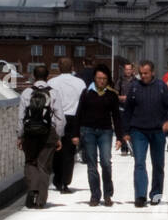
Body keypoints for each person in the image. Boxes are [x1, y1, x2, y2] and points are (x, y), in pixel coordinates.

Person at [123, 60, 168, 206]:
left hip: (158, 131)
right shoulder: (134, 87)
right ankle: (140, 195)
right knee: (139, 163)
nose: (143, 76)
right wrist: (125, 131)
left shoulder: (161, 87)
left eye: (146, 73)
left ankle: (156, 195)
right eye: (141, 73)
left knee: (158, 165)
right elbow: (127, 111)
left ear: (152, 72)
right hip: (138, 131)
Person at [72, 65, 125, 206]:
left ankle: (108, 194)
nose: (101, 81)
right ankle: (95, 194)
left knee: (106, 162)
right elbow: (79, 114)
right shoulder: (86, 93)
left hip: (105, 132)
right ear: (94, 78)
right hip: (88, 131)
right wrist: (75, 134)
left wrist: (120, 137)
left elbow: (117, 117)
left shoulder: (112, 94)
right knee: (91, 164)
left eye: (104, 79)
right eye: (99, 78)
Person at [16, 64, 66, 208]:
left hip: (30, 133)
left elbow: (21, 117)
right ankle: (41, 200)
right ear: (47, 76)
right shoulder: (53, 93)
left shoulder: (26, 93)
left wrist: (20, 136)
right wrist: (58, 136)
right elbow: (60, 118)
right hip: (48, 133)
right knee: (44, 166)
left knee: (30, 162)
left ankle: (32, 188)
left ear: (33, 76)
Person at [48, 58, 86, 192]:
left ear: (59, 67)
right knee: (69, 152)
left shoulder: (52, 82)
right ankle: (65, 182)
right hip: (73, 119)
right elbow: (83, 102)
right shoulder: (80, 83)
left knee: (56, 150)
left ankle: (57, 179)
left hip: (57, 118)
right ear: (72, 68)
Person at [115, 61, 136, 155]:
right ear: (124, 70)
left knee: (132, 128)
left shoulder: (136, 81)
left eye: (129, 69)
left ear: (132, 70)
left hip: (133, 109)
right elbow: (115, 93)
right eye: (126, 69)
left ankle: (132, 146)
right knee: (123, 128)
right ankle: (124, 148)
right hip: (122, 108)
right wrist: (121, 97)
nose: (128, 71)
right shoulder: (120, 80)